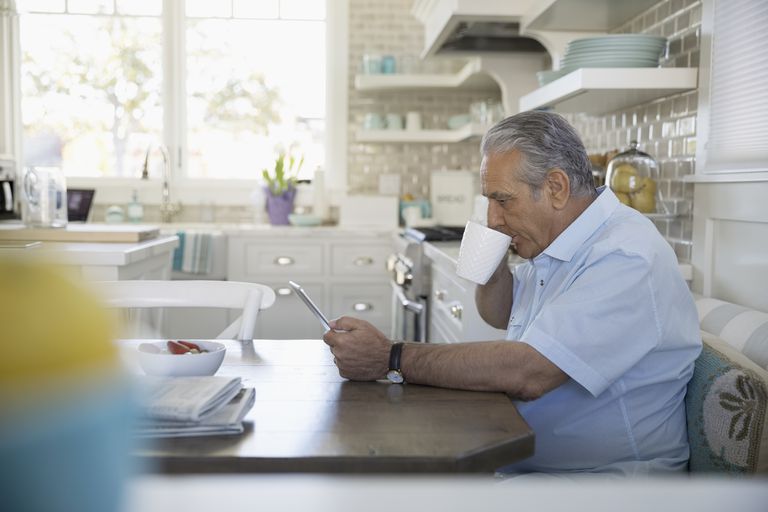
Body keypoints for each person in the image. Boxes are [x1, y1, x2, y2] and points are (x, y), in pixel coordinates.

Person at [323, 110, 701, 475]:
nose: (493, 217)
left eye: (502, 200)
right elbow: (499, 313)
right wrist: (495, 253)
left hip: (602, 482)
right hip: (529, 463)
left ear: (555, 187)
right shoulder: (558, 241)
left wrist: (391, 356)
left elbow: (529, 372)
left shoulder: (625, 257)